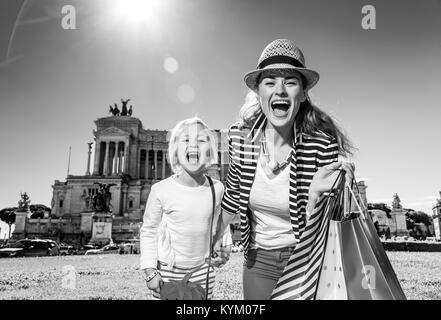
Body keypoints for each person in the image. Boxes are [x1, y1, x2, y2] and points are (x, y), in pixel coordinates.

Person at [212, 39, 355, 300]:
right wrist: (213, 235)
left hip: (308, 259)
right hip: (258, 261)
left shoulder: (321, 144)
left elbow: (329, 223)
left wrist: (317, 196)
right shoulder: (238, 138)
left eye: (290, 81)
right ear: (259, 93)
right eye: (270, 82)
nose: (279, 90)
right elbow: (233, 194)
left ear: (301, 93)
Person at [140, 117, 231, 300]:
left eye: (201, 140)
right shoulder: (160, 190)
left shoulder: (217, 188)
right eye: (186, 140)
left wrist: (224, 248)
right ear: (175, 152)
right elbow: (149, 231)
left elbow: (221, 222)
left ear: (211, 152)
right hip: (167, 271)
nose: (194, 145)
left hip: (203, 270)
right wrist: (150, 271)